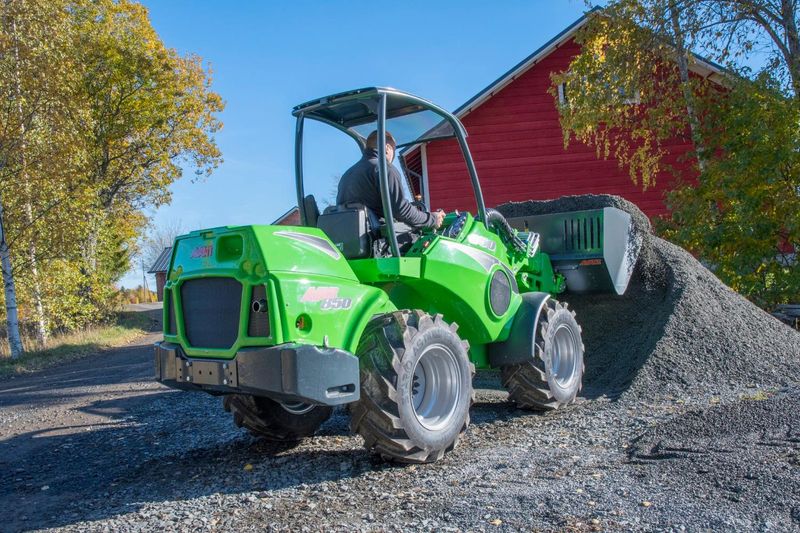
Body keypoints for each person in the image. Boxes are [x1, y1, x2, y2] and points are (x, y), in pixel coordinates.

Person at [337, 131, 445, 230]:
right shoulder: (384, 168)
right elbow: (401, 211)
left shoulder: (347, 174)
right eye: (394, 150)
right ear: (387, 148)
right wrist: (432, 218)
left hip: (352, 236)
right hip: (379, 240)